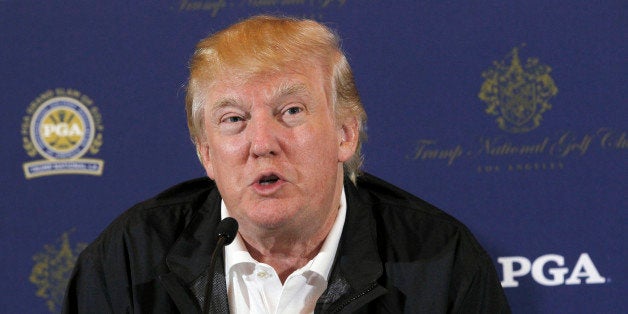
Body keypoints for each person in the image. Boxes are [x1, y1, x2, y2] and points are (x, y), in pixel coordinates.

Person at [63, 15, 510, 313]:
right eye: (233, 119)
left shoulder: (441, 263)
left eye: (291, 112)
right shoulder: (126, 262)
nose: (262, 143)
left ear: (345, 133)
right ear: (206, 154)